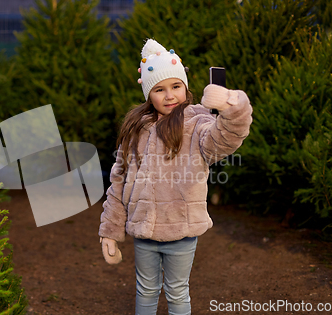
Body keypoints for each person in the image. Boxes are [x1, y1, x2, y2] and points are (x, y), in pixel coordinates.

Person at [98, 38, 253, 315]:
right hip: (143, 231)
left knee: (177, 292)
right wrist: (109, 232)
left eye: (175, 86)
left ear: (185, 87)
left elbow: (223, 140)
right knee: (145, 290)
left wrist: (232, 108)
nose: (169, 96)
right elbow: (118, 183)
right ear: (149, 94)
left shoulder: (198, 123)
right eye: (159, 89)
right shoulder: (136, 129)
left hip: (181, 232)